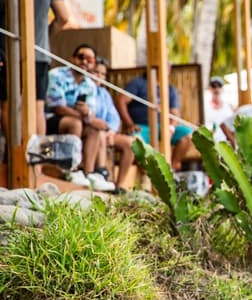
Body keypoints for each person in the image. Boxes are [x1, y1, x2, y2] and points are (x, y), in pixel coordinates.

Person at [0, 0, 74, 137]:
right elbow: (63, 17)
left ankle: (14, 156)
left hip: (6, 52)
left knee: (8, 105)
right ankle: (36, 161)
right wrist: (46, 35)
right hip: (38, 51)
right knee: (37, 107)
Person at [44, 43, 114, 191]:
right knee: (76, 123)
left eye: (90, 59)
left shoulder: (90, 85)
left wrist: (89, 116)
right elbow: (57, 106)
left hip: (76, 120)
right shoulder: (57, 75)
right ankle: (72, 169)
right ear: (72, 58)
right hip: (50, 118)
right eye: (81, 57)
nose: (84, 61)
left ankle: (88, 173)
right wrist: (85, 115)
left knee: (93, 128)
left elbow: (90, 111)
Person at [114, 68, 194, 170]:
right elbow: (121, 101)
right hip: (142, 128)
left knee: (188, 135)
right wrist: (130, 124)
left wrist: (171, 128)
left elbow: (174, 113)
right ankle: (147, 169)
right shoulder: (138, 83)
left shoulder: (169, 89)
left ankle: (171, 168)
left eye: (167, 68)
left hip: (163, 126)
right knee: (137, 143)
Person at [91, 58, 135, 190]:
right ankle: (100, 174)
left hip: (107, 132)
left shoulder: (104, 94)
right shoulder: (85, 89)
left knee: (131, 144)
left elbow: (114, 117)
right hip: (92, 130)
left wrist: (111, 131)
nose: (99, 76)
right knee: (99, 135)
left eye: (103, 74)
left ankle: (119, 184)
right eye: (96, 72)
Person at [204, 75, 233, 142]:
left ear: (222, 89)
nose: (216, 89)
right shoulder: (205, 107)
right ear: (209, 88)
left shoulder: (229, 107)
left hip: (227, 144)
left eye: (219, 86)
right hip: (210, 142)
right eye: (214, 86)